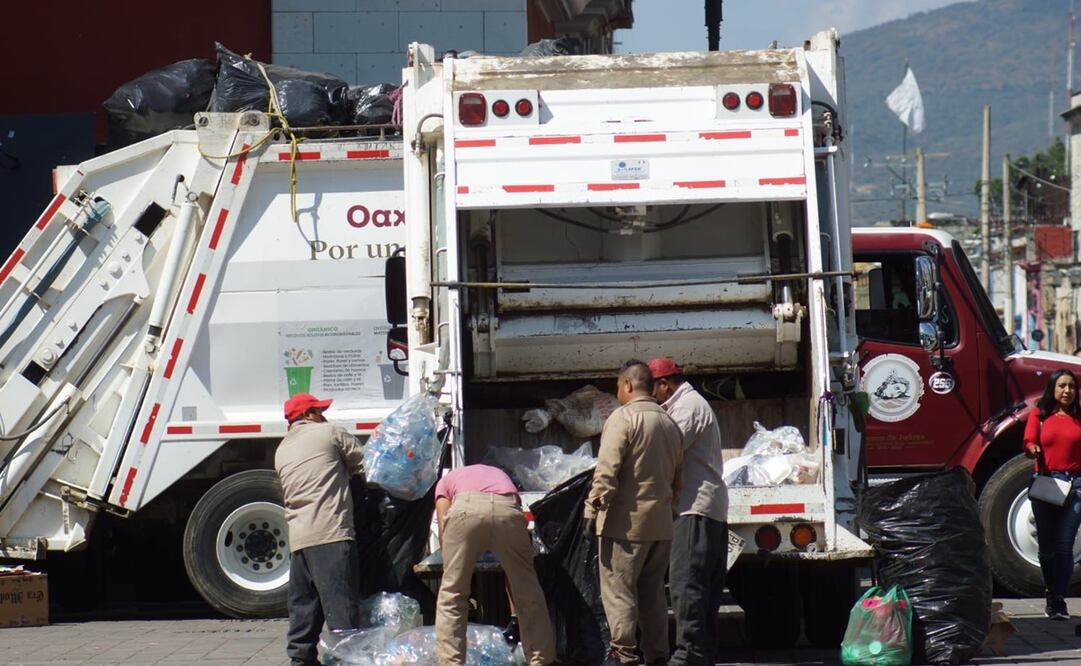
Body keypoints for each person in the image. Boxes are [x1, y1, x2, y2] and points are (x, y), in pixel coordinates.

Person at [584, 360, 683, 666]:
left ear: (627, 385)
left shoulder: (622, 419)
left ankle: (625, 655)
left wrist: (592, 508)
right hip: (660, 526)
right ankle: (657, 655)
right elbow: (678, 479)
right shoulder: (670, 423)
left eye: (618, 387)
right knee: (653, 595)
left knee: (620, 593)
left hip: (624, 527)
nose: (618, 393)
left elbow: (607, 471)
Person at [648, 357, 729, 666]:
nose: (652, 397)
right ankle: (701, 652)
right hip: (703, 508)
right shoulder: (686, 405)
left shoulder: (687, 408)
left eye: (652, 390)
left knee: (687, 582)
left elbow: (665, 452)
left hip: (693, 508)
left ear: (665, 385)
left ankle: (688, 654)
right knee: (702, 585)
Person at [274, 393, 366, 666]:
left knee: (304, 611)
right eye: (319, 410)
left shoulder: (281, 450)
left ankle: (300, 661)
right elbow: (368, 463)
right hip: (332, 535)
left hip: (300, 541)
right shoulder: (328, 432)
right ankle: (346, 661)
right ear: (308, 415)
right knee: (342, 615)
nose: (323, 415)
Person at [434, 464, 556, 666]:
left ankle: (450, 662)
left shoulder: (445, 482)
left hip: (466, 508)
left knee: (453, 594)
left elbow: (443, 524)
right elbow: (514, 506)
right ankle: (541, 659)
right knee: (528, 590)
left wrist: (455, 564)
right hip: (506, 507)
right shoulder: (501, 475)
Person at [1023, 369, 1081, 621]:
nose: (1067, 391)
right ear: (1053, 389)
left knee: (1064, 545)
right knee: (1046, 547)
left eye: (1072, 386)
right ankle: (1051, 592)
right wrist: (1032, 448)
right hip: (1047, 483)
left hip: (1077, 485)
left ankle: (1058, 599)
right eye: (1062, 386)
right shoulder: (1040, 414)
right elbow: (1028, 440)